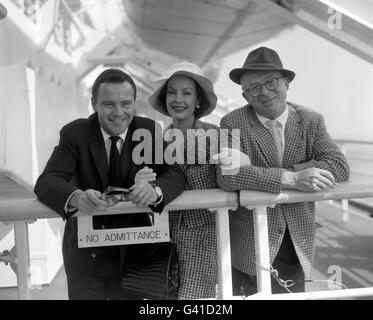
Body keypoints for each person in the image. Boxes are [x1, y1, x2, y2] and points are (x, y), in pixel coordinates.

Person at [34, 69, 185, 300]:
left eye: (125, 103)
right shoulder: (75, 133)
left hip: (133, 255)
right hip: (86, 255)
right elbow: (47, 181)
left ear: (134, 103)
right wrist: (77, 196)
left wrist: (154, 191)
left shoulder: (148, 131)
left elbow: (174, 174)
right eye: (108, 104)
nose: (118, 113)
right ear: (93, 103)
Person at [216, 47, 350, 295]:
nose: (264, 91)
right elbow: (227, 176)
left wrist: (257, 172)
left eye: (271, 82)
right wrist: (292, 178)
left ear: (286, 82)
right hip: (249, 241)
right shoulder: (231, 122)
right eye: (254, 88)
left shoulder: (311, 120)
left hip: (296, 241)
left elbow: (338, 166)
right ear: (246, 96)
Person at [148, 61, 220, 299]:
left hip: (206, 238)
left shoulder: (216, 137)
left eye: (186, 93)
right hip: (163, 239)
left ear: (198, 101)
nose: (178, 99)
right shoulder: (154, 142)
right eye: (172, 92)